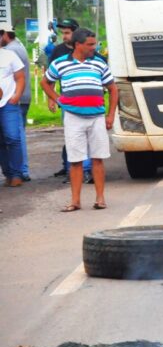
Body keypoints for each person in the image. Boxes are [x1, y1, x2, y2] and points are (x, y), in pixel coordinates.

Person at [41, 28, 119, 212]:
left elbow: (113, 89)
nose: (94, 47)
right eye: (90, 44)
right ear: (78, 44)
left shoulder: (99, 63)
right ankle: (75, 201)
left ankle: (100, 199)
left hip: (97, 116)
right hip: (73, 117)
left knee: (98, 158)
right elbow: (45, 82)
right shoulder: (60, 63)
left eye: (95, 43)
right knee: (75, 160)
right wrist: (57, 98)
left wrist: (110, 115)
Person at [49, 18, 93, 182]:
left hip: (89, 104)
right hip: (68, 104)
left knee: (86, 138)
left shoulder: (90, 52)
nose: (64, 36)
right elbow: (49, 77)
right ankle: (72, 172)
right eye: (63, 33)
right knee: (72, 137)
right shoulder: (58, 51)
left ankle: (87, 170)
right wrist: (53, 99)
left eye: (67, 33)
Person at [1, 25, 32, 181]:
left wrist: (16, 95)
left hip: (9, 103)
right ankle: (9, 173)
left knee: (13, 137)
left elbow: (20, 77)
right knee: (2, 140)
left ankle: (18, 173)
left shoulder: (10, 54)